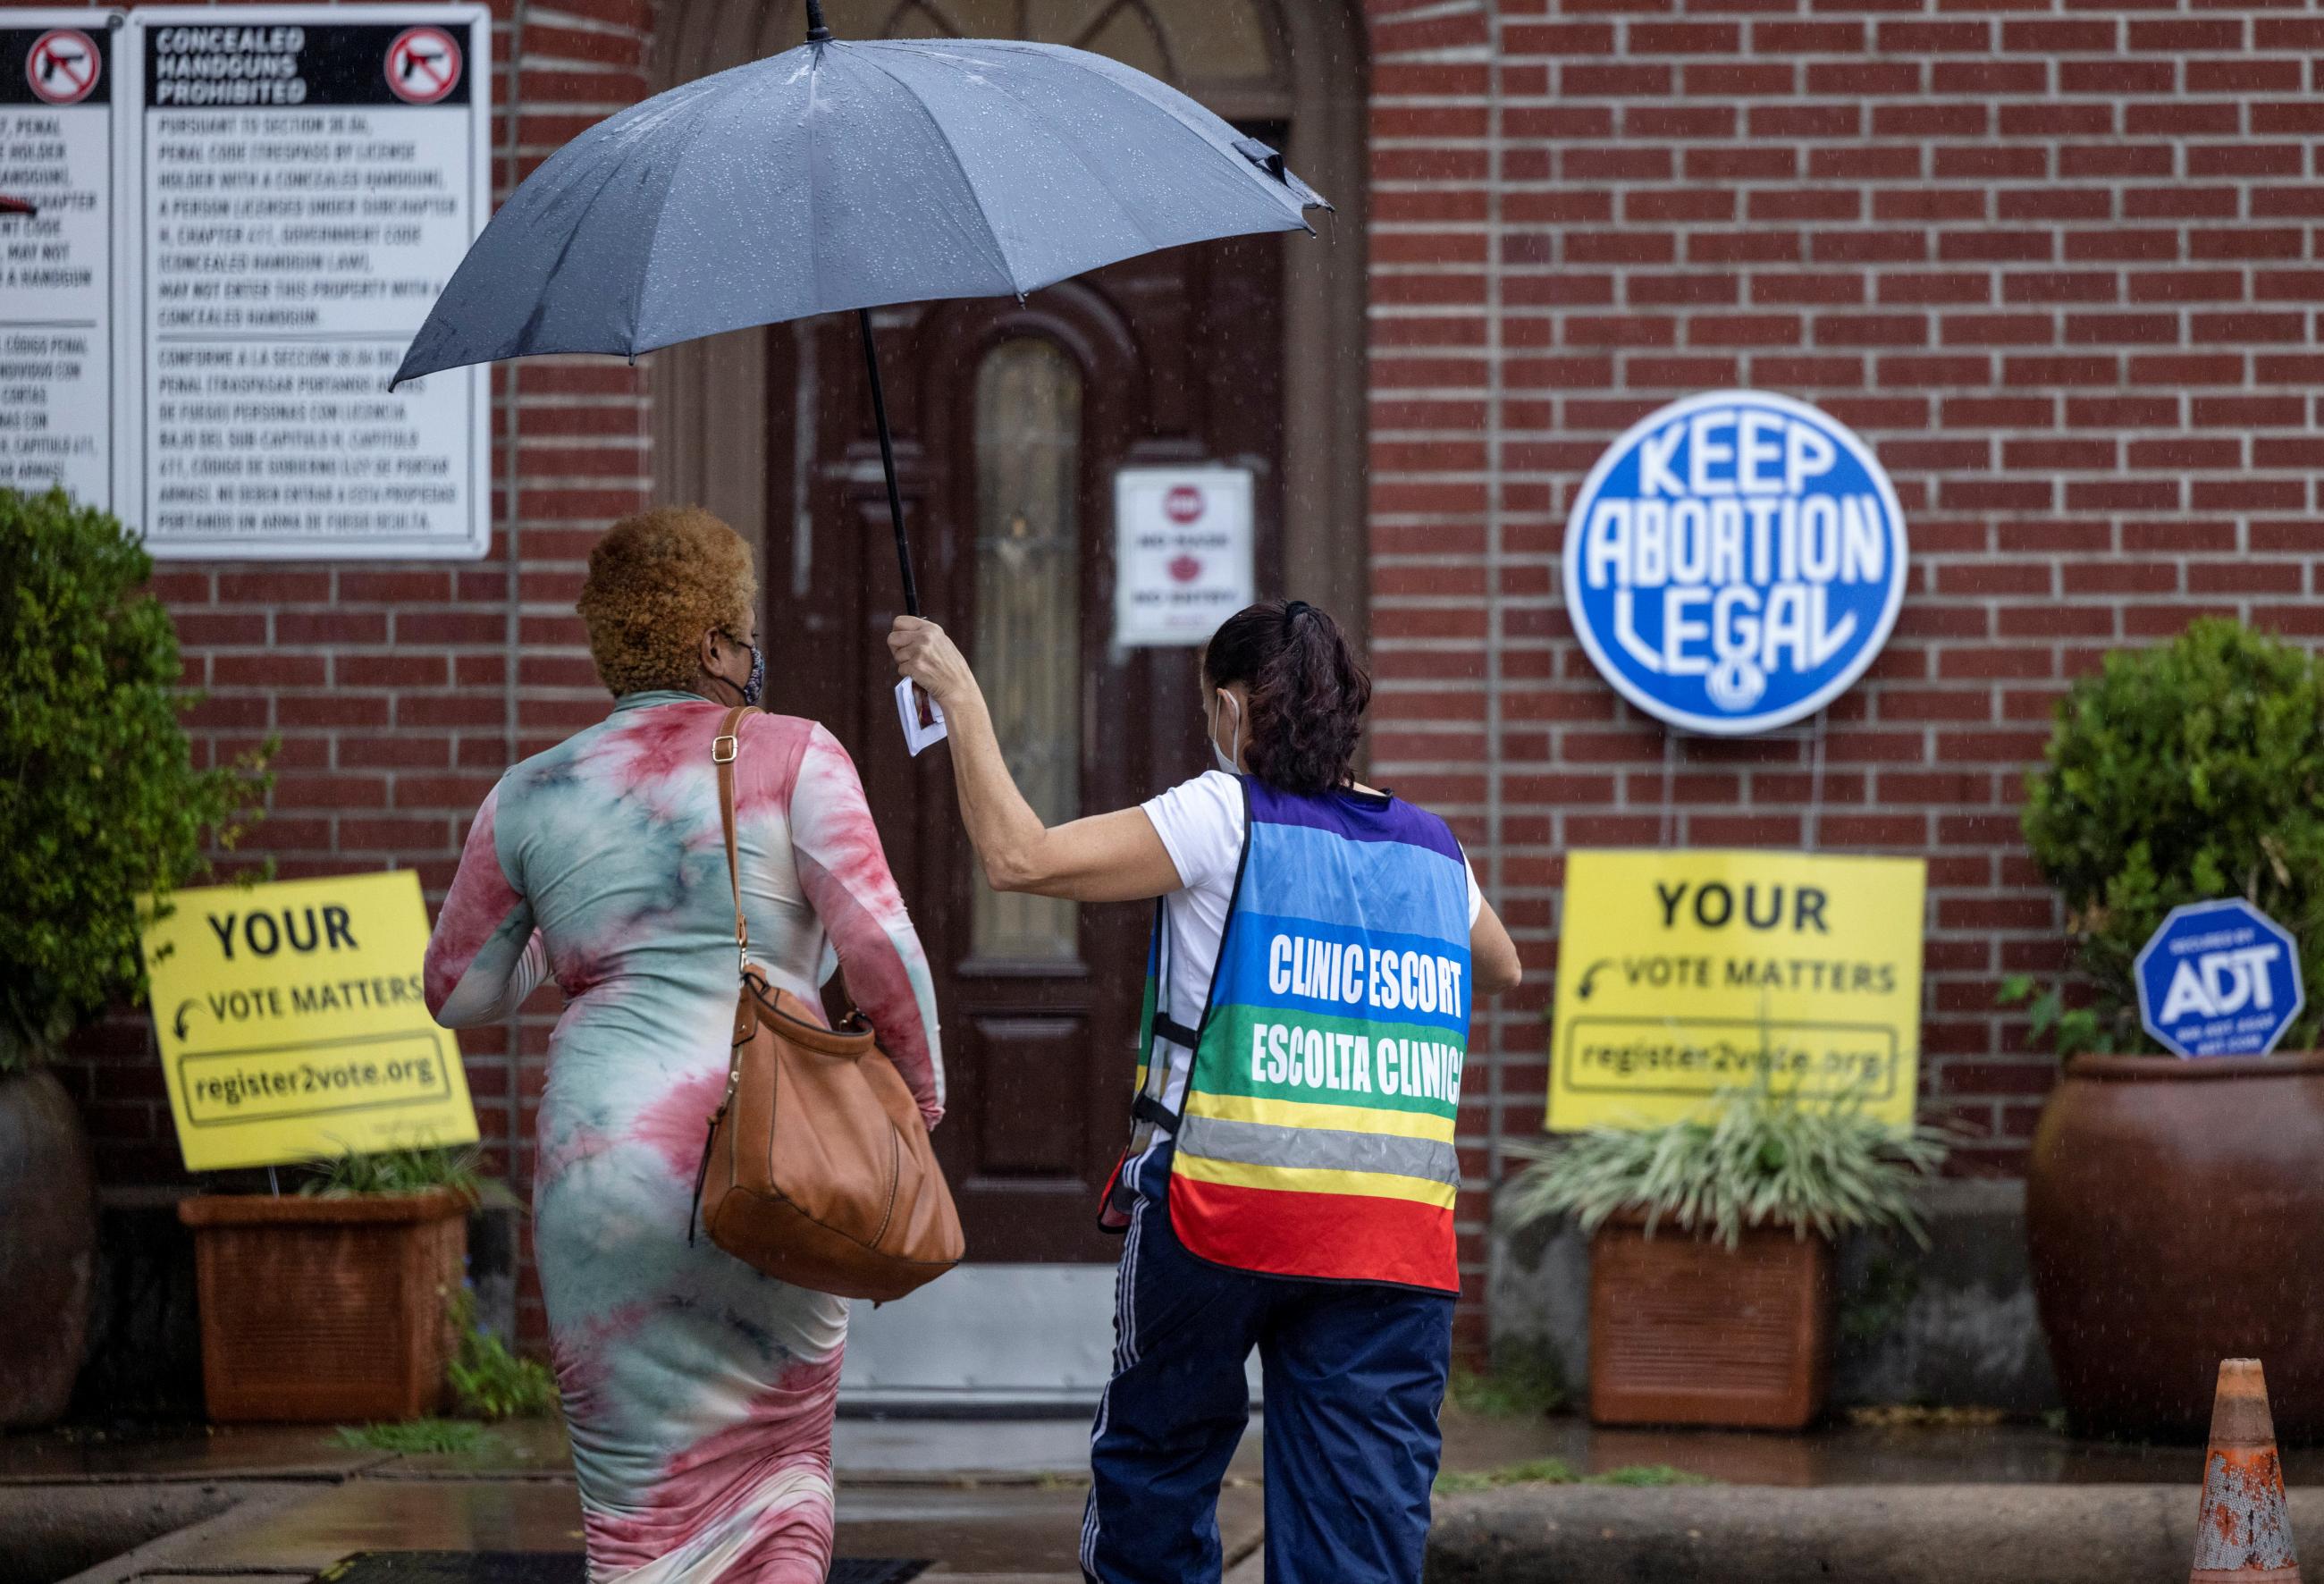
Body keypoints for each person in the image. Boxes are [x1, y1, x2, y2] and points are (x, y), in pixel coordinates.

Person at [889, 597, 1522, 1584]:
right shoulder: (1432, 850)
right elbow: (1504, 966)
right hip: (1388, 1242)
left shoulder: (1221, 813)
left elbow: (1018, 857)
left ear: (1233, 709)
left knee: (1158, 1480)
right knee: (1359, 1527)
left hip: (1221, 1215)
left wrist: (962, 696)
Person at [426, 506, 942, 1583]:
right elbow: (881, 947)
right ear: (710, 642)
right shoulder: (797, 753)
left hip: (602, 1165)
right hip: (772, 1155)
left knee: (636, 1515)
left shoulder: (532, 789)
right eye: (744, 636)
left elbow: (459, 991)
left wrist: (580, 939)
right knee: (782, 1474)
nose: (753, 658)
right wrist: (914, 1103)